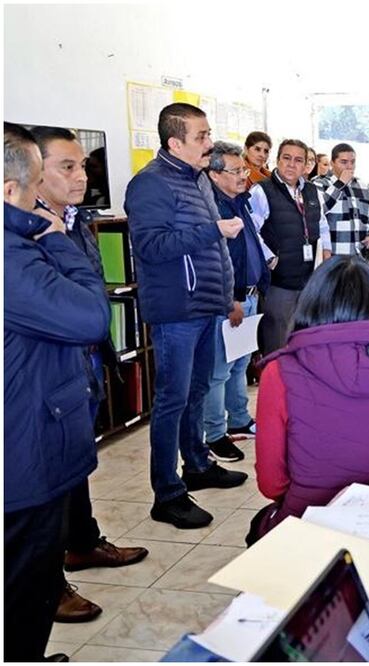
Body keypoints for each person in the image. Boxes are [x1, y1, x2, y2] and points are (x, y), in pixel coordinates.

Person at [32, 126, 150, 624]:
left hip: (82, 357)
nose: (81, 176)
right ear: (28, 174)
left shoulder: (74, 219)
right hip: (49, 370)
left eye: (83, 166)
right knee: (46, 479)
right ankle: (46, 584)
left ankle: (82, 542)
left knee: (75, 464)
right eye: (67, 167)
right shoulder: (26, 234)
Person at [5, 122, 110, 661]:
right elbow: (91, 314)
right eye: (65, 166)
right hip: (24, 441)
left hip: (53, 400)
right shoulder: (18, 249)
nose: (81, 175)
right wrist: (58, 243)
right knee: (25, 581)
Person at [125, 103, 248, 529]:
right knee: (172, 399)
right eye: (200, 137)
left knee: (195, 392)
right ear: (174, 142)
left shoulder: (195, 178)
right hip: (176, 309)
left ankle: (196, 463)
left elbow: (212, 247)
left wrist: (226, 294)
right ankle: (167, 492)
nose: (209, 143)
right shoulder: (149, 185)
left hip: (204, 305)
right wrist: (213, 230)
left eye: (208, 133)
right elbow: (152, 247)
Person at [249, 256, 369, 543]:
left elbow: (271, 484)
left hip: (308, 521)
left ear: (311, 304)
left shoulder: (279, 372)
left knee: (258, 527)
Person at [204, 141, 271, 461]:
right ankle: (214, 433)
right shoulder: (213, 209)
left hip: (250, 297)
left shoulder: (240, 200)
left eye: (244, 169)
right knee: (219, 369)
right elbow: (217, 260)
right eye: (236, 170)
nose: (244, 175)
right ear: (215, 175)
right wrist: (229, 299)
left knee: (241, 363)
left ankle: (239, 419)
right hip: (230, 301)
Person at [250, 139, 333, 355]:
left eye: (298, 160)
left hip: (309, 282)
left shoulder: (312, 191)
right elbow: (251, 231)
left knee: (305, 341)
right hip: (279, 284)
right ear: (277, 160)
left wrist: (326, 254)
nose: (291, 164)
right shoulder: (262, 191)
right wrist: (269, 259)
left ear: (306, 165)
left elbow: (322, 224)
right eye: (286, 158)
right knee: (278, 345)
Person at [312, 142, 369, 262]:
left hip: (360, 257)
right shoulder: (319, 184)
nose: (349, 166)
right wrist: (340, 183)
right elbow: (320, 209)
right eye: (343, 162)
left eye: (352, 162)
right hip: (332, 257)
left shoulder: (363, 186)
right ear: (332, 163)